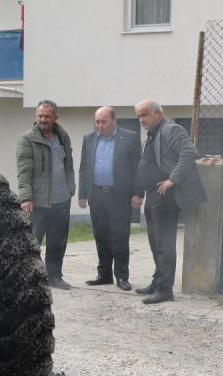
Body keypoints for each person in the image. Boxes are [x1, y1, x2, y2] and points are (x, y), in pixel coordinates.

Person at [133, 99, 206, 304]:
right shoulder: (152, 134)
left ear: (157, 114)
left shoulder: (170, 129)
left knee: (164, 243)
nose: (141, 120)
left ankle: (165, 290)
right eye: (138, 116)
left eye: (144, 115)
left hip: (166, 197)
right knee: (155, 242)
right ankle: (158, 282)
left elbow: (189, 152)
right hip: (153, 195)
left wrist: (172, 179)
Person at [77, 106, 142, 291]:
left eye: (103, 121)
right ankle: (104, 274)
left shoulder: (129, 138)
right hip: (97, 195)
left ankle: (122, 276)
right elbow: (84, 168)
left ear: (114, 120)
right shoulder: (89, 139)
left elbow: (138, 167)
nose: (99, 125)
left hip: (120, 196)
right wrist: (83, 194)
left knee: (120, 236)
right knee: (101, 236)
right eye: (97, 121)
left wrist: (138, 193)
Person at [16, 99, 75, 290]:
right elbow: (23, 172)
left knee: (58, 242)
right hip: (38, 202)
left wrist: (70, 188)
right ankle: (29, 279)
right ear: (36, 116)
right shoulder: (27, 139)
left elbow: (68, 166)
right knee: (32, 243)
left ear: (55, 118)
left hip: (61, 200)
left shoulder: (63, 137)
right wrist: (25, 198)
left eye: (47, 116)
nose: (42, 119)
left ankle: (54, 277)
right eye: (40, 116)